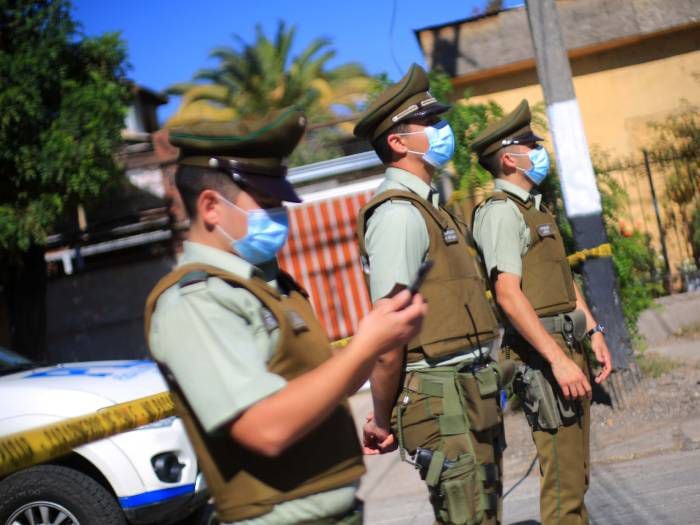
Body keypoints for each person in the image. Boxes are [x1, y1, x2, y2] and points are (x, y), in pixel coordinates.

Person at [144, 107, 427, 525]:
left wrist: (380, 339)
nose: (280, 215)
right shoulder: (195, 301)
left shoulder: (268, 287)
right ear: (210, 207)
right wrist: (365, 345)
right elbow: (264, 429)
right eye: (267, 201)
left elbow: (321, 385)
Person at [353, 64, 510, 525]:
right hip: (437, 395)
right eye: (432, 125)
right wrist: (380, 418)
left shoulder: (431, 207)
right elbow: (389, 332)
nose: (443, 132)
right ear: (399, 143)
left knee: (486, 515)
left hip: (468, 386)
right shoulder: (399, 214)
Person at [471, 100, 613, 525]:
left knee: (577, 475)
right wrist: (556, 358)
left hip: (569, 346)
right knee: (563, 481)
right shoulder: (500, 213)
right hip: (545, 357)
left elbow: (563, 281)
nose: (539, 149)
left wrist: (593, 331)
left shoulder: (535, 209)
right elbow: (507, 294)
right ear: (510, 158)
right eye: (531, 144)